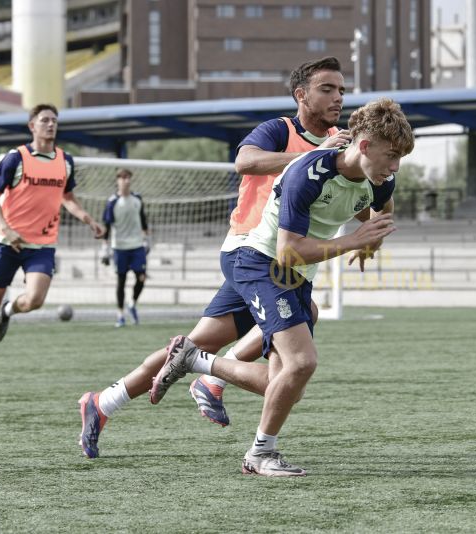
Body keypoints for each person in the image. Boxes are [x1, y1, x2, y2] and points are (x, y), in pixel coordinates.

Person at [78, 56, 352, 458]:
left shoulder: (338, 141)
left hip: (280, 261)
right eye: (327, 89)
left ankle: (104, 403)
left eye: (342, 90)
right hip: (250, 250)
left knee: (204, 346)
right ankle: (211, 377)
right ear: (301, 95)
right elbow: (244, 162)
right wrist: (313, 156)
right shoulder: (281, 129)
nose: (338, 97)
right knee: (297, 347)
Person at [150, 97, 415, 477]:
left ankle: (197, 361)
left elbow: (383, 212)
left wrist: (371, 243)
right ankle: (259, 455)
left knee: (285, 382)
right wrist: (353, 242)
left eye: (400, 158)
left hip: (297, 276)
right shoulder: (308, 172)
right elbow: (288, 251)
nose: (394, 167)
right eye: (391, 155)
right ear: (364, 146)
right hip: (262, 263)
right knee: (302, 363)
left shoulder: (381, 180)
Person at [0, 103, 105, 384]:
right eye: (44, 120)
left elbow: (67, 197)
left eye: (54, 120)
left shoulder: (65, 161)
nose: (51, 124)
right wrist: (6, 228)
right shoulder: (15, 158)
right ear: (32, 126)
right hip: (8, 243)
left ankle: (9, 311)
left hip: (42, 244)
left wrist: (87, 218)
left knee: (35, 300)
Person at [100, 168, 150, 327]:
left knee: (141, 278)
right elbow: (107, 226)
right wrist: (105, 247)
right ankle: (120, 315)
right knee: (121, 281)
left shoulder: (137, 199)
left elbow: (143, 220)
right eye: (122, 178)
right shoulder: (112, 201)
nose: (125, 180)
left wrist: (147, 239)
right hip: (119, 246)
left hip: (137, 245)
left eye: (128, 177)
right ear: (118, 181)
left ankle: (132, 304)